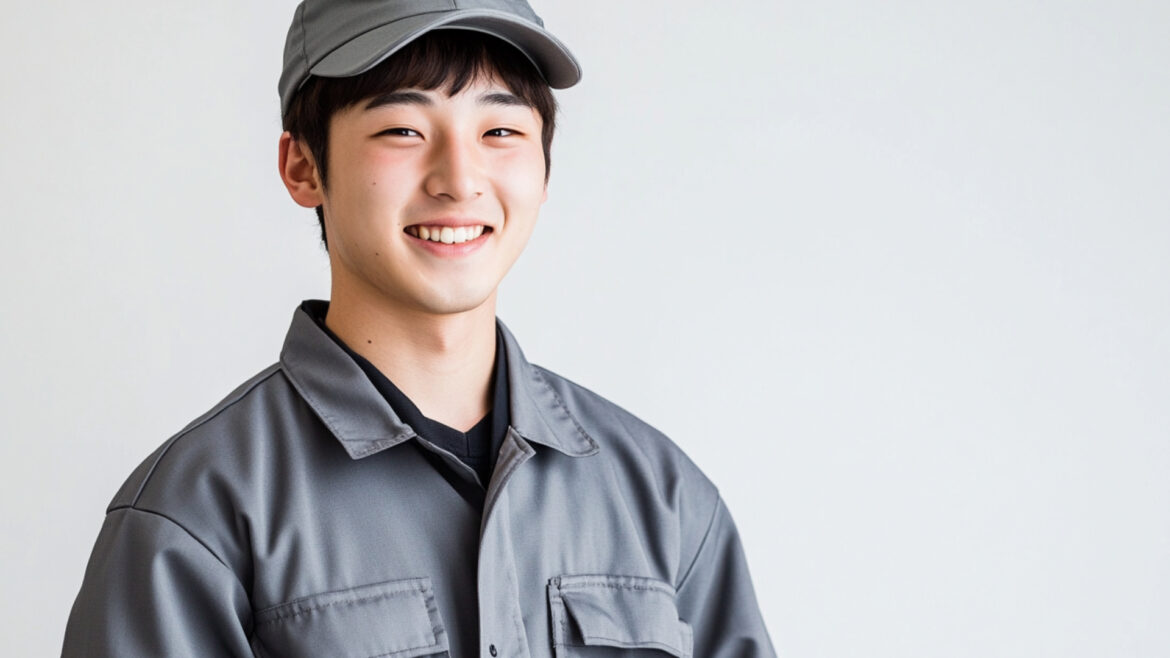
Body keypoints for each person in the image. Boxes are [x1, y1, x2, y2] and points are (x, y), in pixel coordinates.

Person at [62, 1, 777, 655]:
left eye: (500, 132)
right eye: (402, 130)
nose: (459, 180)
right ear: (303, 166)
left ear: (544, 167)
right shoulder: (194, 518)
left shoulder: (663, 497)